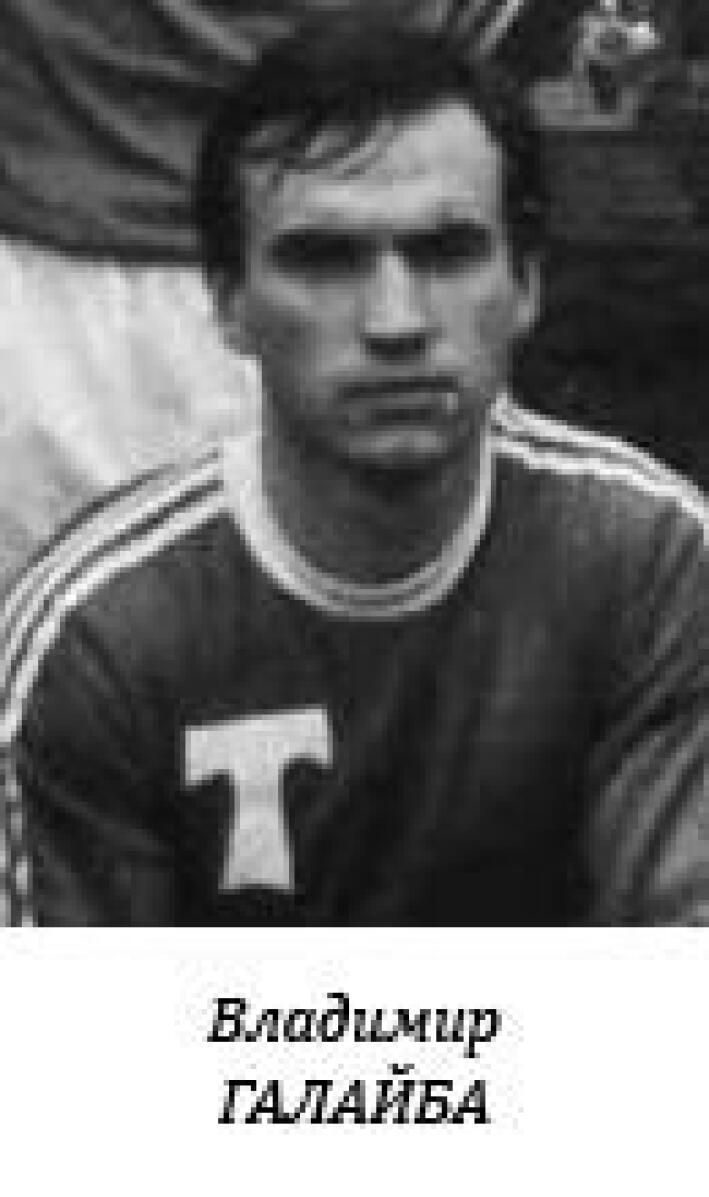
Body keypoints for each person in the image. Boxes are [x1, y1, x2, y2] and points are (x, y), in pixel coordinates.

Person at [1, 9, 707, 925]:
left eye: (445, 253)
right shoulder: (92, 635)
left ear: (527, 284)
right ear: (229, 304)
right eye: (325, 261)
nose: (395, 321)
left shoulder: (651, 565)